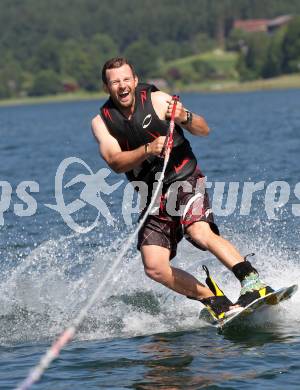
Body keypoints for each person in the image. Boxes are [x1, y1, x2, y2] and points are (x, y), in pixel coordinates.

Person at [91, 57, 273, 320]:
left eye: (126, 80)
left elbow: (204, 129)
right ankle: (213, 299)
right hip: (152, 196)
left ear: (135, 80)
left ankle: (252, 281)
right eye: (115, 82)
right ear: (106, 87)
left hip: (185, 179)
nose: (122, 86)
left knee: (199, 231)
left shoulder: (157, 100)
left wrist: (184, 116)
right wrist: (147, 150)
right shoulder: (102, 122)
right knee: (154, 267)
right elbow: (115, 162)